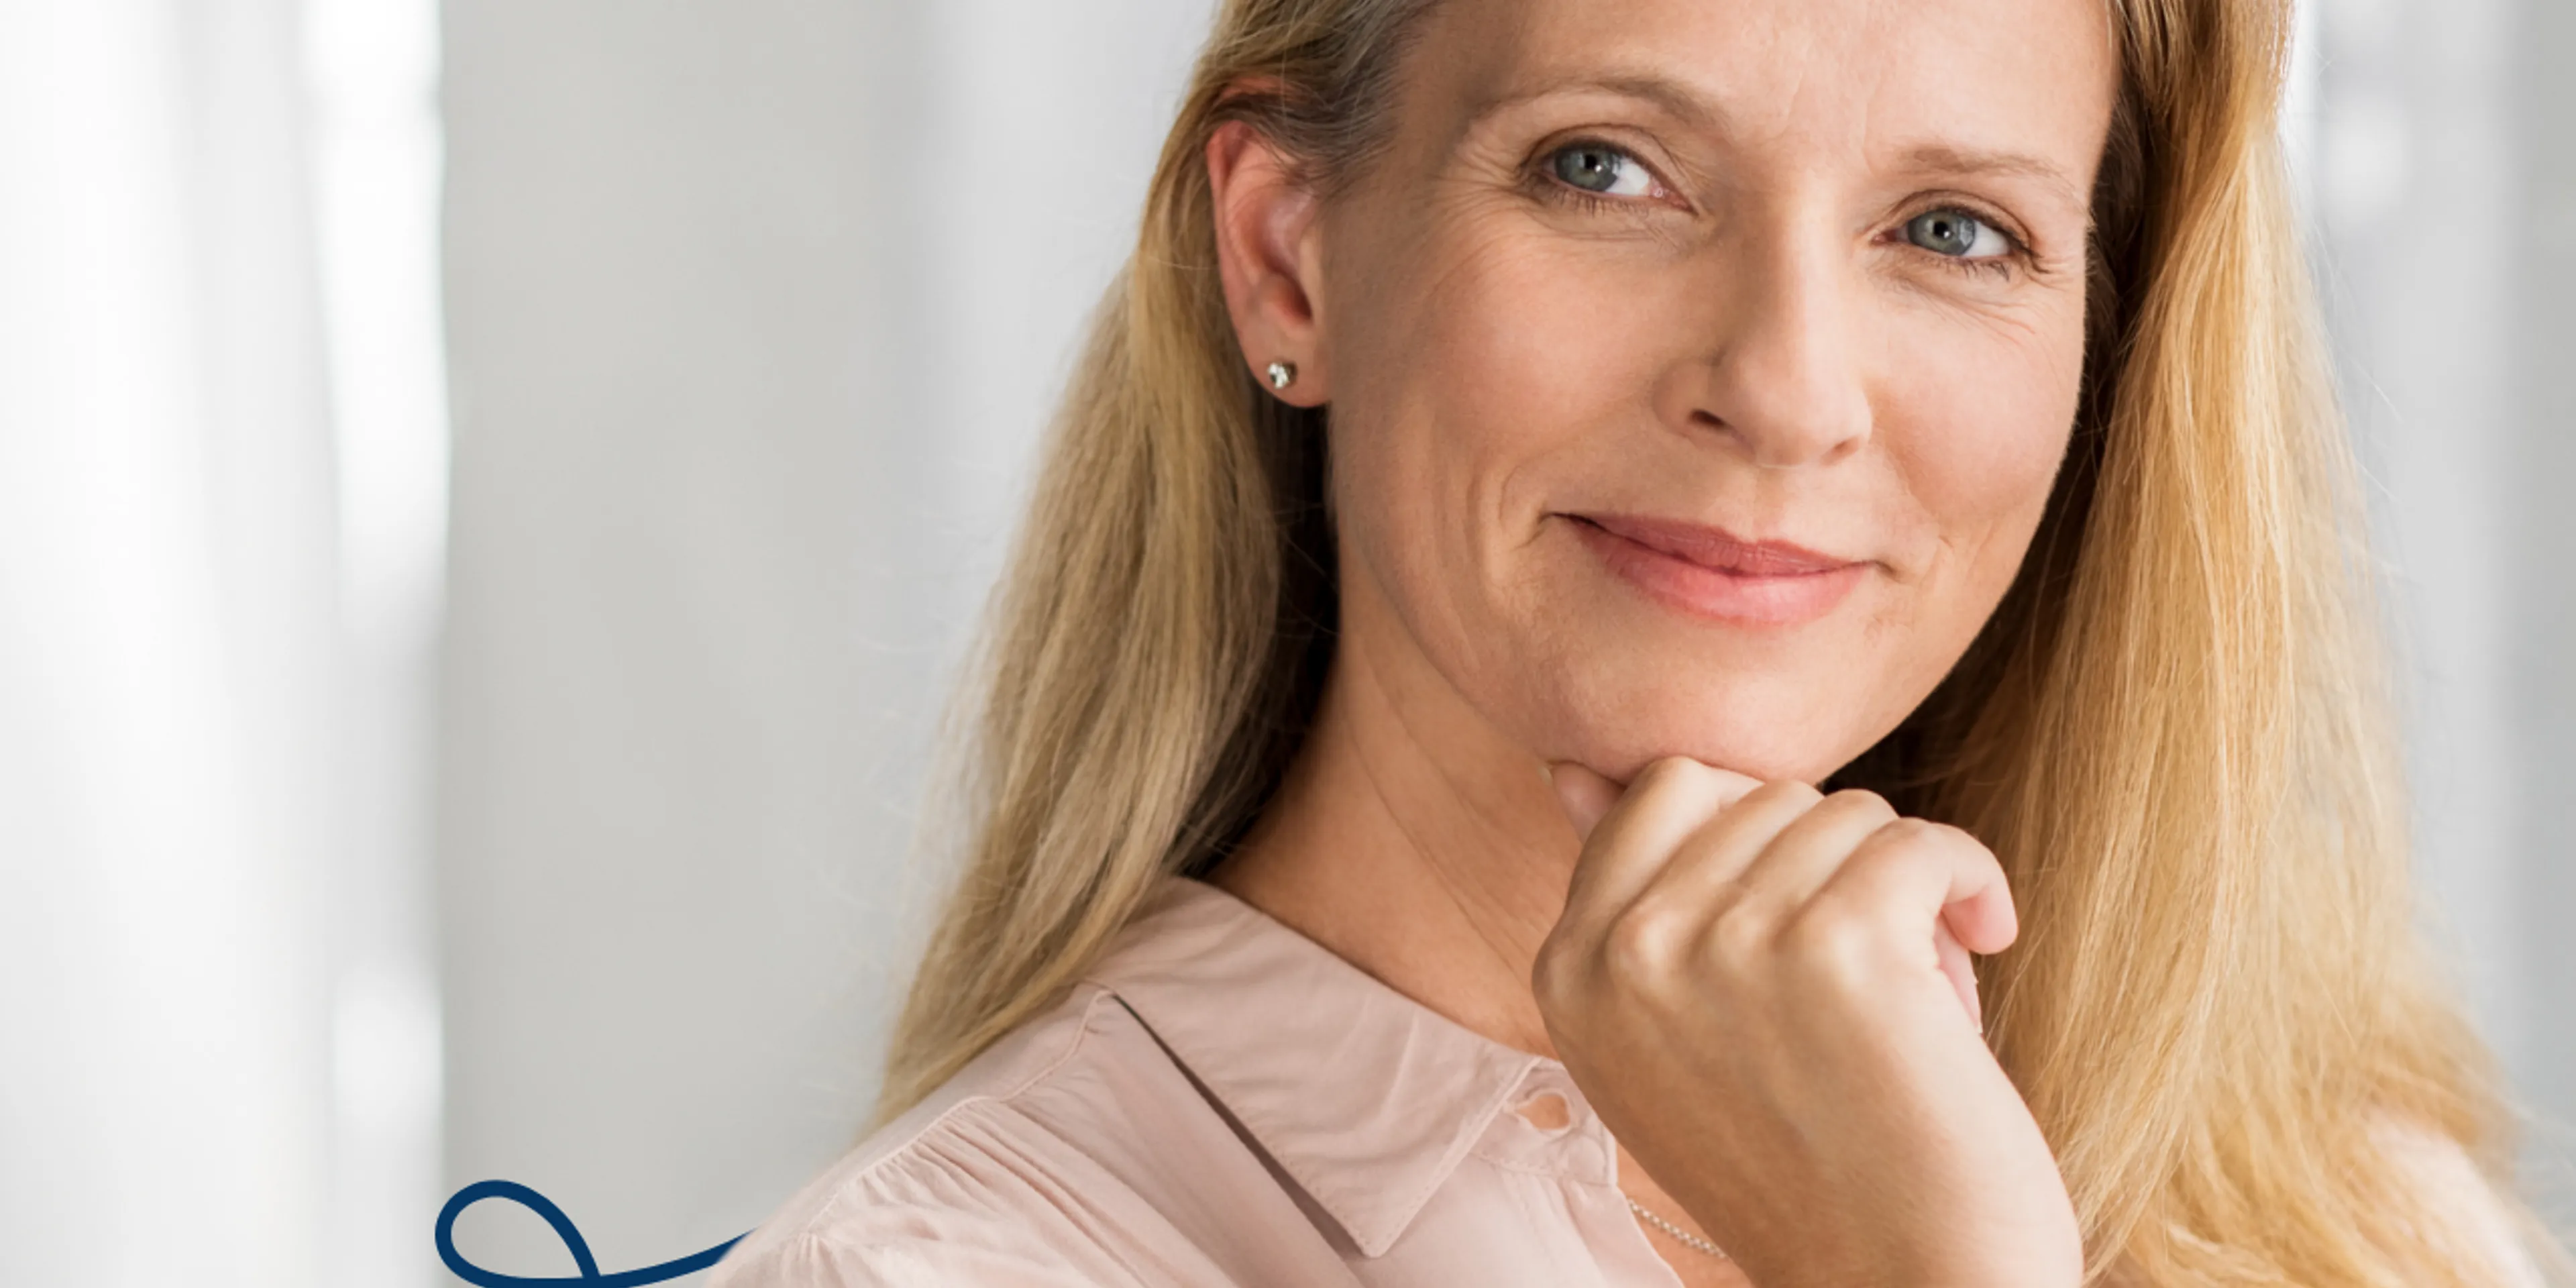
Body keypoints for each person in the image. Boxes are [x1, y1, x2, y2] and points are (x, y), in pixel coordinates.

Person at [711, 0, 2565, 1282]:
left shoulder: (2350, 1212)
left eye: (1953, 228)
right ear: (1290, 257)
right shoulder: (938, 1267)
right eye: (1607, 168)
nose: (1782, 389)